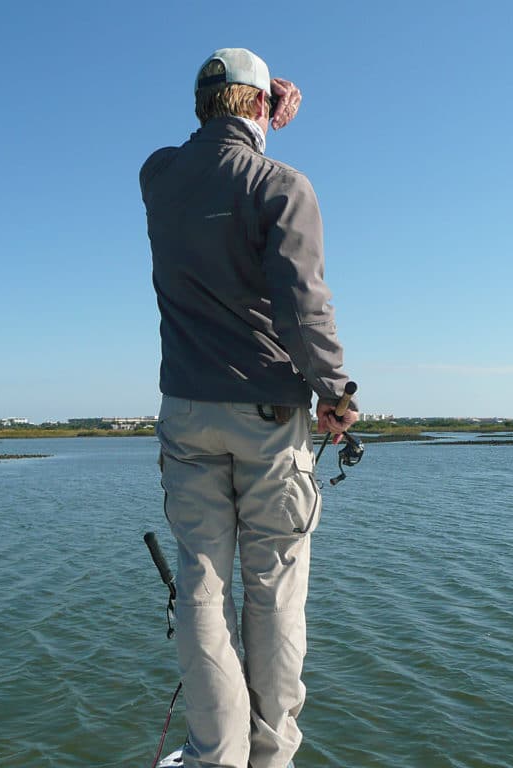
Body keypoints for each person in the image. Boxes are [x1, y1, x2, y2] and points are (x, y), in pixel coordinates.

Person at [139, 48, 359, 768]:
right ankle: (270, 755)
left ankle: (217, 755)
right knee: (273, 594)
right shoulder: (282, 185)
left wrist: (253, 116)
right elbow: (304, 308)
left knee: (202, 586)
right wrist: (335, 392)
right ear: (264, 109)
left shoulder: (159, 177)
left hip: (185, 414)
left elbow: (203, 156)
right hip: (267, 417)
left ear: (202, 105)